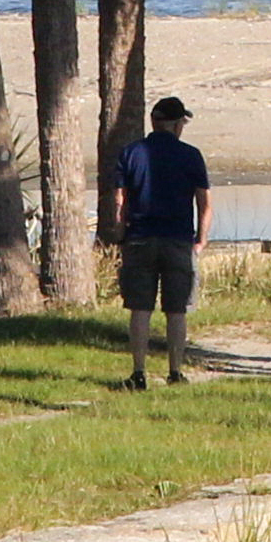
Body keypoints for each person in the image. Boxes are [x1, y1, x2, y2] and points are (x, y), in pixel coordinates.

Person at [104, 93, 214, 388]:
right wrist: (200, 240)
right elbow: (204, 202)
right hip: (178, 239)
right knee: (176, 310)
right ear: (178, 124)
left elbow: (119, 200)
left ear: (154, 122)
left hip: (140, 238)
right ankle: (175, 371)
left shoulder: (130, 153)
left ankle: (138, 372)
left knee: (140, 309)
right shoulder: (191, 155)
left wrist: (120, 232)